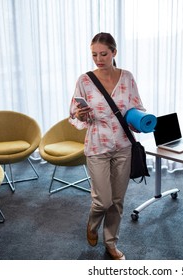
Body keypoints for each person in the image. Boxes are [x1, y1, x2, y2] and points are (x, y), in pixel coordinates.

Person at [69, 32, 145, 260]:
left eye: (103, 54)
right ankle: (92, 225)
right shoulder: (84, 80)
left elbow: (137, 107)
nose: (99, 59)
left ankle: (110, 243)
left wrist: (140, 122)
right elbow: (73, 115)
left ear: (114, 52)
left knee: (118, 201)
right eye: (94, 54)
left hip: (123, 145)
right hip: (97, 146)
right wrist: (80, 114)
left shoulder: (128, 77)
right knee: (103, 200)